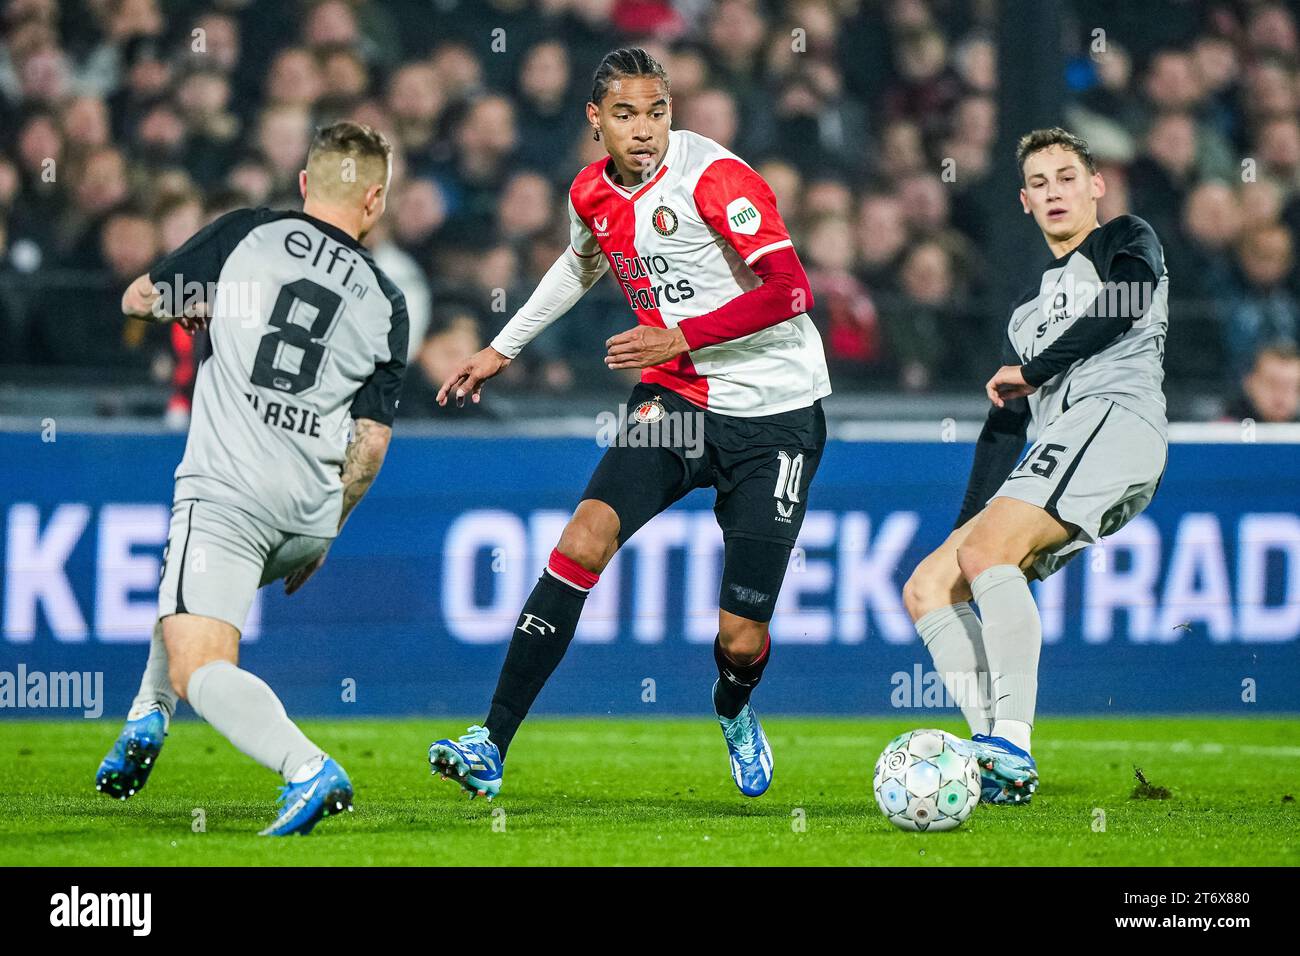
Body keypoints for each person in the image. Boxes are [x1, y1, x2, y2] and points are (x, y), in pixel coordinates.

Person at [428, 48, 831, 800]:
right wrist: (499, 349)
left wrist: (681, 333)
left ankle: (734, 704)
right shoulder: (591, 192)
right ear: (595, 120)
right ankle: (490, 742)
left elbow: (791, 290)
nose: (643, 130)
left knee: (742, 637)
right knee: (583, 535)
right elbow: (579, 265)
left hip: (774, 414)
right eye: (625, 115)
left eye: (656, 112)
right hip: (676, 401)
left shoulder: (717, 179)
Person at [94, 121, 409, 836]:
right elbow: (372, 443)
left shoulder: (249, 233)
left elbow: (141, 299)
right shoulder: (388, 300)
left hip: (229, 492)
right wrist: (329, 528)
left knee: (199, 663)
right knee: (188, 596)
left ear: (304, 185)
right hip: (307, 511)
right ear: (377, 201)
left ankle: (306, 768)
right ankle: (147, 718)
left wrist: (193, 306)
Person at [901, 128, 1169, 804]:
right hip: (1066, 443)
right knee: (931, 584)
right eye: (1041, 184)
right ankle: (994, 753)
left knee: (988, 551)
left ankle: (1011, 742)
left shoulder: (1123, 242)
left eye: (1068, 178)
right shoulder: (1025, 316)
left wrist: (1038, 370)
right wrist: (960, 530)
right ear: (1023, 201)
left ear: (1096, 186)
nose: (1055, 192)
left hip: (1114, 420)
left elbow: (1129, 298)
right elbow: (1004, 427)